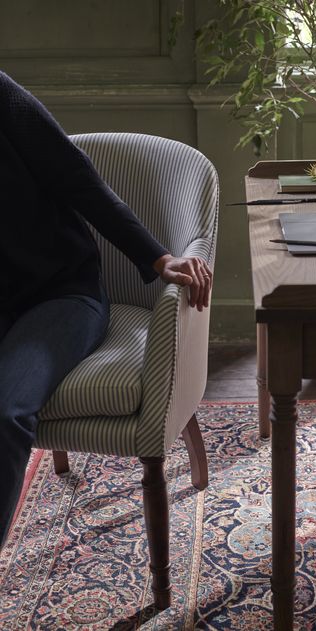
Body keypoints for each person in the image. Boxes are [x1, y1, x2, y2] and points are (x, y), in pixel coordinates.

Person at [0, 70, 213, 548]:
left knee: (5, 411)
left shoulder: (1, 96)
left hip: (61, 295)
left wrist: (158, 257)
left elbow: (77, 178)